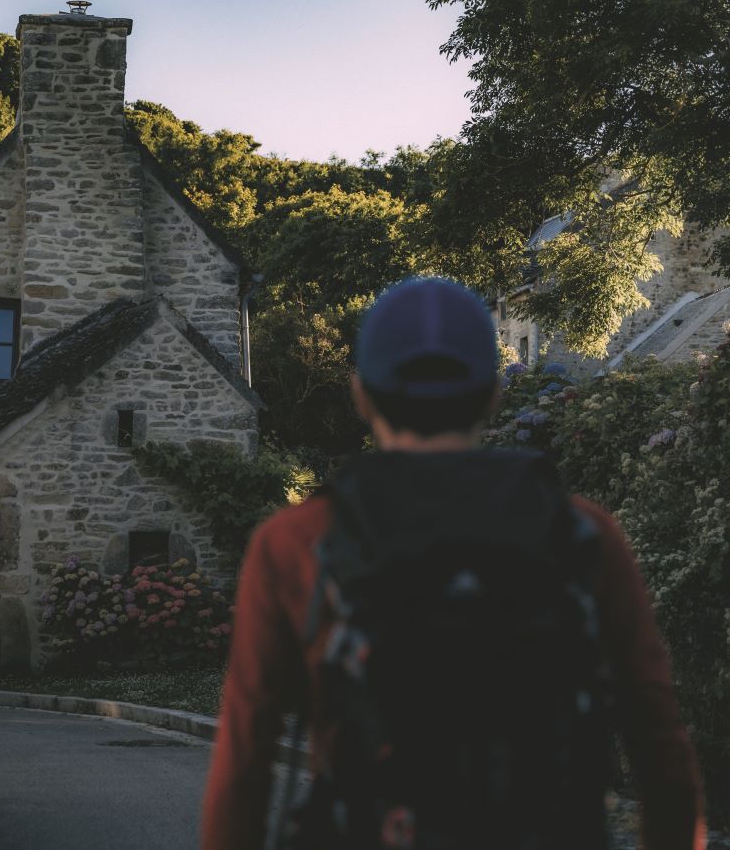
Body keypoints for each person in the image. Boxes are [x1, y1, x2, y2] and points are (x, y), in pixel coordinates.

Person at [201, 277, 704, 850]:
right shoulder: (583, 534)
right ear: (492, 393)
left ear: (361, 395)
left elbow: (245, 765)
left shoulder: (297, 543)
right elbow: (661, 754)